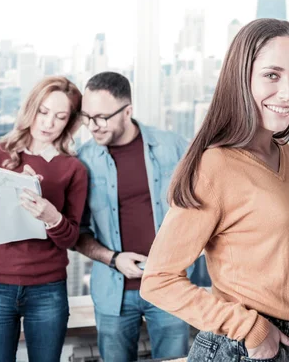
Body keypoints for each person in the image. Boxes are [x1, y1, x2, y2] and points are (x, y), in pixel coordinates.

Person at [140, 18, 289, 362]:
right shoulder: (216, 165)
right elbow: (158, 279)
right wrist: (250, 329)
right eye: (272, 75)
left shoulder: (286, 155)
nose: (288, 92)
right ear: (241, 78)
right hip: (243, 346)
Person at [74, 71, 190, 362]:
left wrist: (182, 258)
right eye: (87, 117)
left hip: (169, 284)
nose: (92, 126)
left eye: (101, 117)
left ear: (128, 111)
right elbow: (77, 233)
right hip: (113, 293)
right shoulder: (82, 160)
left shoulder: (173, 147)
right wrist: (114, 259)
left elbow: (204, 211)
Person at [0, 76, 87, 362]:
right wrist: (10, 191)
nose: (48, 124)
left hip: (47, 289)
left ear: (69, 122)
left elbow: (71, 237)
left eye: (60, 117)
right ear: (31, 109)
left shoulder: (73, 168)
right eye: (43, 112)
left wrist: (51, 216)